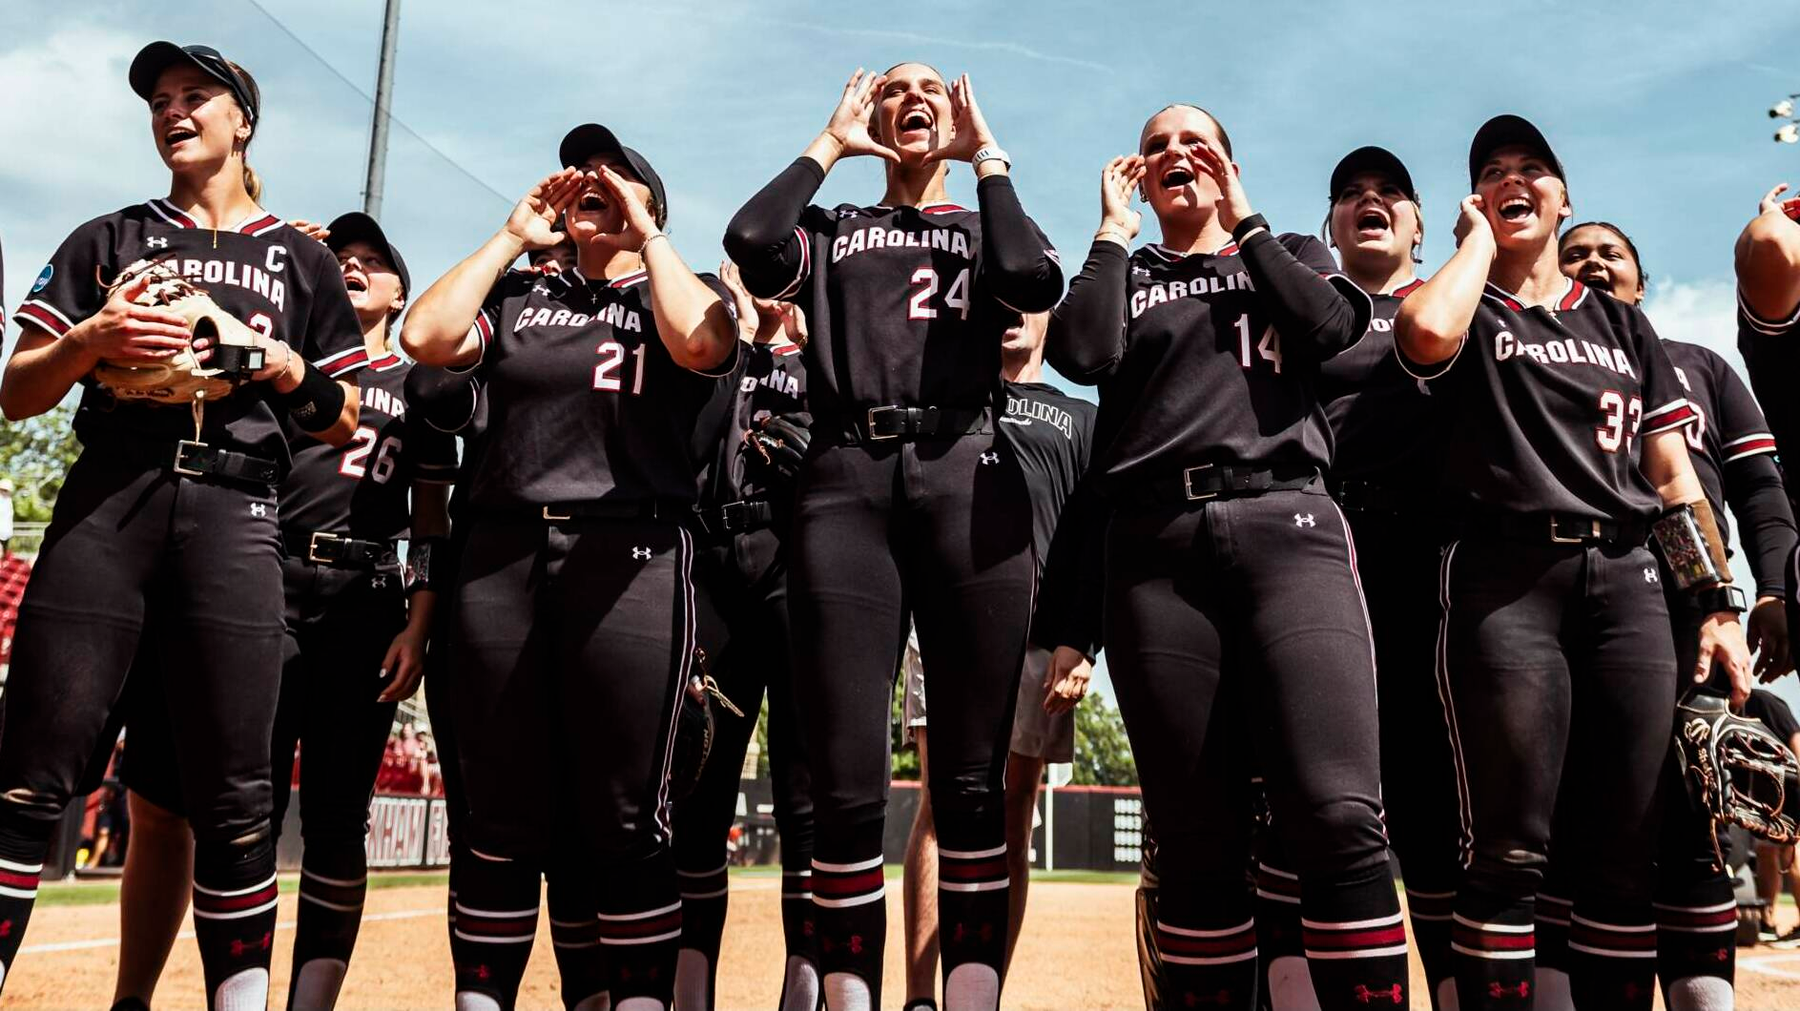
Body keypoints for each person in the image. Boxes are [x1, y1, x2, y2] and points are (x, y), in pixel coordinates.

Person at [0, 41, 362, 1007]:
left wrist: (281, 364)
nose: (172, 110)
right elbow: (16, 394)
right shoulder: (106, 238)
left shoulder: (303, 258)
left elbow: (347, 416)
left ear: (243, 119)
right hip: (110, 498)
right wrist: (87, 341)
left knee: (238, 802)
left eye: (194, 95)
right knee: (28, 781)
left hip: (238, 509)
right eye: (158, 99)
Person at [1047, 104, 1406, 1010]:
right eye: (1157, 143)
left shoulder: (1284, 249)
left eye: (1195, 140)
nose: (1176, 153)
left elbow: (1330, 330)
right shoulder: (1128, 273)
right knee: (1195, 837)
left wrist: (1244, 220)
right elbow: (1079, 350)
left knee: (1337, 816)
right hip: (1157, 553)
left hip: (1286, 525)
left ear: (1230, 164)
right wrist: (1110, 233)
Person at [1393, 115, 1753, 1010]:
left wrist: (1713, 600)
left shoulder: (1623, 324)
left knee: (1624, 849)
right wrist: (1479, 242)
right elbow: (1423, 337)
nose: (1514, 181)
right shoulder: (1465, 298)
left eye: (1532, 170)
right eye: (1493, 173)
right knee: (1511, 850)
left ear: (1565, 197)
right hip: (1505, 580)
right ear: (1474, 199)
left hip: (1627, 581)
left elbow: (1672, 473)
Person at [724, 63, 1063, 1008]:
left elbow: (1032, 277)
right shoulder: (831, 230)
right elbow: (751, 239)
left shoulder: (981, 226)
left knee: (968, 784)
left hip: (966, 469)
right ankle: (849, 998)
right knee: (845, 782)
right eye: (892, 90)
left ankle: (967, 999)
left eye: (931, 89)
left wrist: (984, 156)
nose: (911, 98)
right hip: (846, 484)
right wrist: (829, 142)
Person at [402, 122, 739, 1011]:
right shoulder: (517, 295)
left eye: (617, 175)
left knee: (626, 820)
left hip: (628, 553)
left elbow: (703, 348)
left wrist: (646, 234)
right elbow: (425, 336)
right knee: (500, 819)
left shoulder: (684, 291)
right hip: (501, 558)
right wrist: (515, 234)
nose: (592, 180)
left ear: (649, 204)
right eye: (583, 172)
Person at [104, 211, 456, 1010]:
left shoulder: (422, 386)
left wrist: (420, 621)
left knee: (336, 818)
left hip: (366, 602)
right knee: (240, 810)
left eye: (374, 259)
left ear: (402, 291)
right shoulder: (279, 363)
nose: (355, 266)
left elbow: (432, 518)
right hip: (259, 578)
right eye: (344, 258)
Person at [1549, 218, 1797, 1009]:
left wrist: (1766, 590)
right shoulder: (1528, 355)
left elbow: (1757, 490)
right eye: (1574, 252)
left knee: (1686, 826)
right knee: (1571, 836)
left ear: (1641, 278)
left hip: (1689, 613)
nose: (1591, 260)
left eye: (1610, 251)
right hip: (1559, 610)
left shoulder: (1699, 368)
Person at [1248, 144, 1465, 1011]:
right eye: (1350, 196)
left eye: (1388, 194)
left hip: (1436, 572)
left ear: (1418, 221)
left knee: (1434, 807)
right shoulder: (1305, 310)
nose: (1368, 202)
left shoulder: (1459, 306)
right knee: (1299, 804)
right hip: (1314, 555)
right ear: (1331, 226)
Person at [895, 309, 1098, 1011]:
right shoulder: (955, 397)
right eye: (997, 297)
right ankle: (921, 997)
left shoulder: (1080, 417)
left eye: (1027, 296)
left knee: (1014, 812)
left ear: (1051, 311)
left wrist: (1083, 639)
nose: (1011, 311)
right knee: (941, 800)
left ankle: (978, 995)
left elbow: (1091, 535)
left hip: (1041, 637)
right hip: (947, 620)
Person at [671, 261, 818, 1011]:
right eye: (750, 274)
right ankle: (691, 992)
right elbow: (683, 447)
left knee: (803, 799)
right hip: (712, 573)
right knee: (700, 793)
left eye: (777, 275)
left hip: (795, 568)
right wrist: (736, 330)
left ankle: (803, 987)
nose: (764, 288)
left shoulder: (822, 360)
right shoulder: (716, 360)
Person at [1744, 690, 1800, 940]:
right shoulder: (1728, 708)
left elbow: (1796, 738)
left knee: (1792, 853)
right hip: (1766, 800)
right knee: (1766, 852)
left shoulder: (1762, 701)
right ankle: (1767, 921)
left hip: (1790, 791)